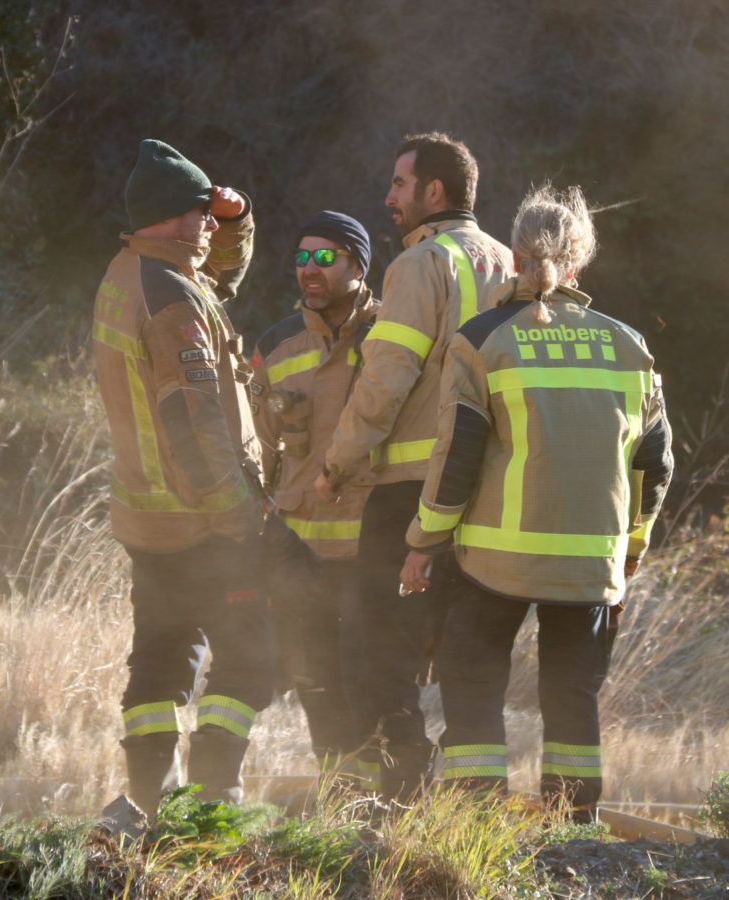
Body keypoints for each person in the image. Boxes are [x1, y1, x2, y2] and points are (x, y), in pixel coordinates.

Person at [398, 184, 674, 822]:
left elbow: (457, 455)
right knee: (572, 694)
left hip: (495, 560)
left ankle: (474, 820)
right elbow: (655, 465)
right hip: (590, 566)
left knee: (471, 679)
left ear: (513, 256)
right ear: (580, 262)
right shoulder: (629, 345)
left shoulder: (482, 339)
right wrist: (630, 549)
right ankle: (573, 831)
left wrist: (423, 542)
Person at [313, 132, 514, 802]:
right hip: (492, 499)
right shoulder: (513, 267)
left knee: (376, 647)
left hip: (410, 495)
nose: (388, 197)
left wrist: (336, 462)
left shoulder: (423, 264)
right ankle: (470, 809)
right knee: (466, 657)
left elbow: (385, 378)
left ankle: (396, 798)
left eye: (399, 184)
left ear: (434, 192)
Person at [91, 139, 273, 817]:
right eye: (201, 211)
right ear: (174, 216)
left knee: (163, 657)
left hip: (149, 519)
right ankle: (214, 798)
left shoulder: (133, 272)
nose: (207, 222)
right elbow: (192, 423)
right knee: (253, 655)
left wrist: (236, 223)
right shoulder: (171, 301)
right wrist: (235, 516)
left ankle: (145, 803)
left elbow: (214, 280)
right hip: (201, 519)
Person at [250, 211, 380, 787]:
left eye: (325, 258)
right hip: (299, 554)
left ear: (357, 266)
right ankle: (341, 804)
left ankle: (381, 808)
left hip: (371, 552)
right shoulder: (275, 346)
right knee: (316, 684)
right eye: (302, 257)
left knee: (371, 683)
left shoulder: (392, 339)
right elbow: (257, 449)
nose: (310, 269)